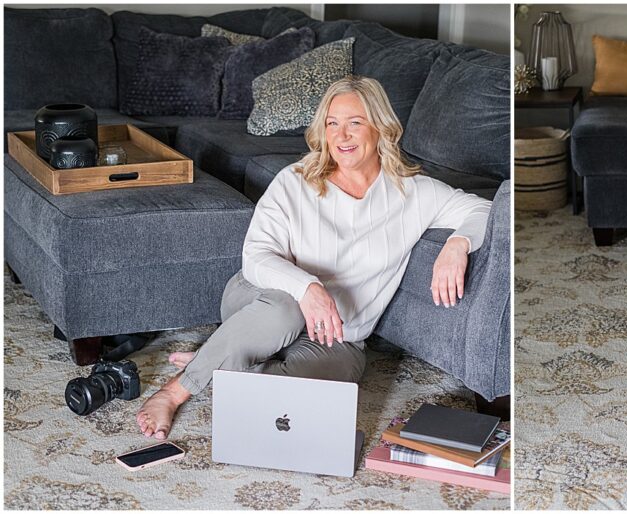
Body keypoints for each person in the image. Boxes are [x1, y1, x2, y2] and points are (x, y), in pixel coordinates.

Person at [137, 76, 492, 439]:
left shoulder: (414, 193)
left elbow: (483, 210)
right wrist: (308, 288)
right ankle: (174, 391)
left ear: (381, 127)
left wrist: (457, 244)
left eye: (355, 122)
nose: (342, 136)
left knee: (321, 389)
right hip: (263, 300)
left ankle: (218, 357)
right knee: (285, 309)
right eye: (332, 124)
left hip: (336, 335)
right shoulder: (295, 181)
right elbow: (256, 256)